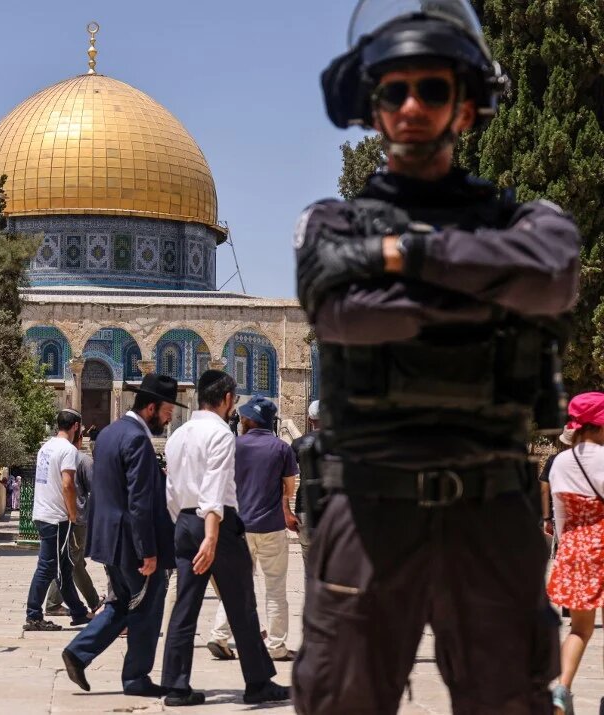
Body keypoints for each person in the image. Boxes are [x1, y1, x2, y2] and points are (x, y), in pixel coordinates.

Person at [292, 1, 581, 711]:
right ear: (373, 106)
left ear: (469, 104)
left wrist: (401, 256)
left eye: (434, 88)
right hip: (367, 511)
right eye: (395, 90)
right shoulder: (332, 224)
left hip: (491, 513)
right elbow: (341, 311)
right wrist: (487, 291)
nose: (413, 105)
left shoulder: (530, 223)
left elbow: (552, 275)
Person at [160, 370, 289, 707]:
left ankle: (175, 686)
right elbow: (215, 487)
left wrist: (185, 526)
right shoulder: (220, 434)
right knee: (242, 604)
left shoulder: (178, 434)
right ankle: (259, 682)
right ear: (228, 398)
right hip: (217, 525)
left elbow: (171, 490)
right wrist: (212, 536)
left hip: (186, 521)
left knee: (185, 608)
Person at [61, 374, 180, 698]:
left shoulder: (110, 434)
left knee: (121, 603)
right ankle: (136, 678)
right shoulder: (137, 440)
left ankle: (78, 652)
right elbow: (138, 500)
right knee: (146, 605)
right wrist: (149, 551)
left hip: (110, 540)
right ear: (152, 407)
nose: (169, 417)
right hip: (132, 543)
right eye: (168, 409)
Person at [206, 395, 298, 662]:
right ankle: (277, 646)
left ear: (247, 420)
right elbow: (290, 489)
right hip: (270, 525)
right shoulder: (281, 449)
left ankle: (219, 636)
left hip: (240, 527)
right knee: (275, 588)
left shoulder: (234, 446)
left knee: (236, 586)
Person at [546, 393, 604, 715]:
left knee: (580, 629)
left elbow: (560, 516)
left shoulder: (559, 463)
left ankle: (561, 689)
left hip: (574, 547)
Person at [23, 409, 91, 631]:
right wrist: (72, 513)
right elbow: (68, 484)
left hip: (43, 512)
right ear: (75, 427)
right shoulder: (68, 450)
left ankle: (79, 612)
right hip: (56, 517)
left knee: (63, 566)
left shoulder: (46, 447)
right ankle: (33, 614)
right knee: (48, 567)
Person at [46, 433, 100, 615]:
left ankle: (57, 603)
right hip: (75, 518)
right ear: (79, 440)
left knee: (70, 561)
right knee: (72, 563)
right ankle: (89, 603)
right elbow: (96, 489)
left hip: (57, 516)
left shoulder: (52, 455)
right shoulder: (84, 461)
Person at [291, 400, 320, 574]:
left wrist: (285, 509)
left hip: (305, 507)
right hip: (332, 510)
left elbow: (286, 477)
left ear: (309, 419)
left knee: (309, 566)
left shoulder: (298, 444)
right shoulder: (339, 443)